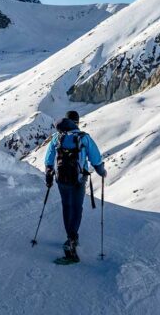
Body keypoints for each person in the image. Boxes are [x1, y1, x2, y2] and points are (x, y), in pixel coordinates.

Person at [44, 110, 106, 260]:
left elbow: (49, 159)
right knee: (77, 207)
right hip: (78, 179)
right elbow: (96, 159)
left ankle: (70, 236)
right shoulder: (83, 138)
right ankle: (72, 239)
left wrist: (49, 174)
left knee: (66, 206)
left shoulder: (57, 137)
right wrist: (101, 171)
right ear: (77, 122)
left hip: (61, 179)